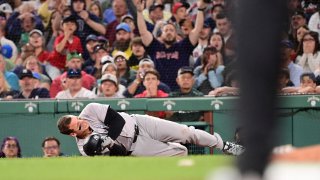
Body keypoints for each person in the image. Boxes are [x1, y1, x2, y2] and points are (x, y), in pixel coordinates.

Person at [57, 103, 245, 156]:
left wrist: (107, 139)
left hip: (140, 123)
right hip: (136, 149)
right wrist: (112, 147)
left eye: (78, 118)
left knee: (186, 133)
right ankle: (175, 148)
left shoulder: (89, 110)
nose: (83, 121)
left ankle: (226, 146)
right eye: (78, 125)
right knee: (181, 153)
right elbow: (120, 156)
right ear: (73, 133)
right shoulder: (85, 149)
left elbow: (117, 122)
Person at [136, 0, 206, 90]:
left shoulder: (183, 47)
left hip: (180, 91)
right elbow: (143, 32)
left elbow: (197, 30)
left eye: (172, 30)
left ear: (176, 34)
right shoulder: (155, 46)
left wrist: (200, 9)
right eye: (166, 30)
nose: (169, 32)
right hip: (158, 91)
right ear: (161, 34)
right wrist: (139, 12)